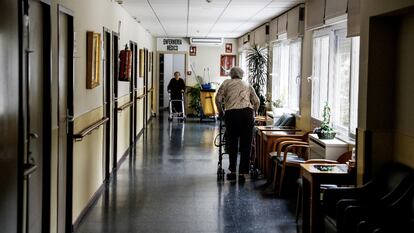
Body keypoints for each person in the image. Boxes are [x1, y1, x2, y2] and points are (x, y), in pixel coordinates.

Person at [215, 67, 260, 182]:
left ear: (231, 74)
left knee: (232, 142)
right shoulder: (247, 84)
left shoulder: (226, 83)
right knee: (246, 144)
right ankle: (243, 173)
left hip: (232, 114)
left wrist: (221, 111)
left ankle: (233, 170)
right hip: (247, 114)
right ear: (241, 75)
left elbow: (218, 98)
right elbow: (257, 101)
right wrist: (254, 112)